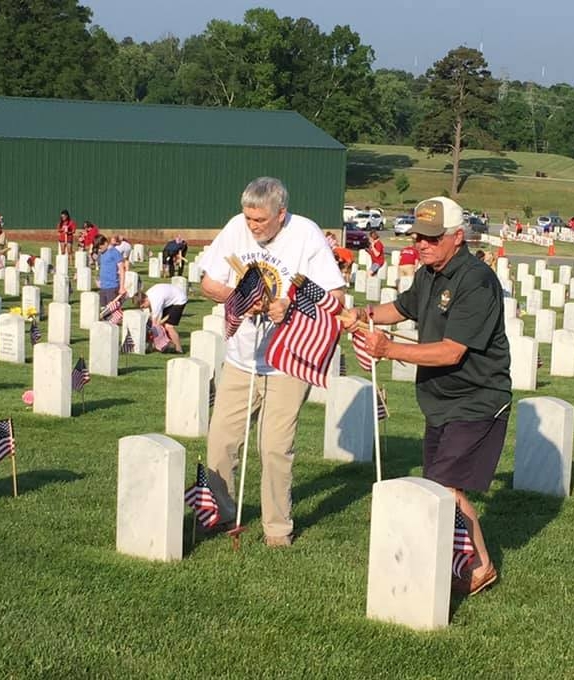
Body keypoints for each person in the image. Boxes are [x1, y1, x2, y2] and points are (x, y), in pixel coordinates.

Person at [349, 195, 511, 596]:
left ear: (457, 237)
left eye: (432, 237)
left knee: (444, 486)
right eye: (418, 235)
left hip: (478, 397)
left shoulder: (475, 280)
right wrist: (362, 314)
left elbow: (451, 351)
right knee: (441, 486)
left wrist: (388, 351)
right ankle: (457, 559)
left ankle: (479, 566)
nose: (421, 243)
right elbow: (402, 308)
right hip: (440, 398)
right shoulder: (429, 274)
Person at [199, 177, 344, 546]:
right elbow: (208, 283)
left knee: (275, 446)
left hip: (286, 361)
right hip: (241, 358)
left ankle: (277, 529)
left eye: (259, 220)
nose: (251, 226)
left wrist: (288, 304)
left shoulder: (306, 234)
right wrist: (242, 296)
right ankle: (220, 513)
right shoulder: (236, 228)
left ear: (282, 213)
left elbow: (336, 295)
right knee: (220, 440)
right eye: (248, 218)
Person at [139, 283, 187, 353]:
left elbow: (155, 322)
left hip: (179, 300)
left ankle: (179, 349)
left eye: (142, 305)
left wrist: (152, 328)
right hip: (169, 300)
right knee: (154, 325)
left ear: (145, 299)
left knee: (168, 326)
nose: (141, 307)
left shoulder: (155, 301)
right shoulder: (148, 296)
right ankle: (152, 346)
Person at [95, 234, 126, 307]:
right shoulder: (101, 253)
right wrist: (98, 279)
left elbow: (122, 269)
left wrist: (121, 287)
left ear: (105, 243)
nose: (99, 249)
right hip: (103, 286)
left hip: (112, 287)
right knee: (103, 310)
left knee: (112, 312)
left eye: (100, 247)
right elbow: (100, 268)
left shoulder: (114, 252)